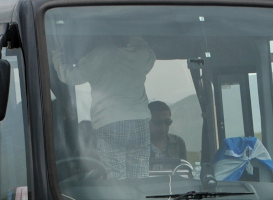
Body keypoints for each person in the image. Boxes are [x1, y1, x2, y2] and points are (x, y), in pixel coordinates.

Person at [54, 36, 155, 179]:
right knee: (140, 175)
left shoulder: (98, 55)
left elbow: (71, 76)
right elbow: (149, 55)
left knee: (115, 176)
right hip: (140, 120)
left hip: (109, 121)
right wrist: (138, 40)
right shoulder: (137, 54)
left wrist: (57, 55)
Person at [147, 101, 187, 172]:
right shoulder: (137, 146)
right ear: (146, 122)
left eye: (167, 122)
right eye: (158, 123)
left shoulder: (178, 142)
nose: (163, 127)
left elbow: (185, 171)